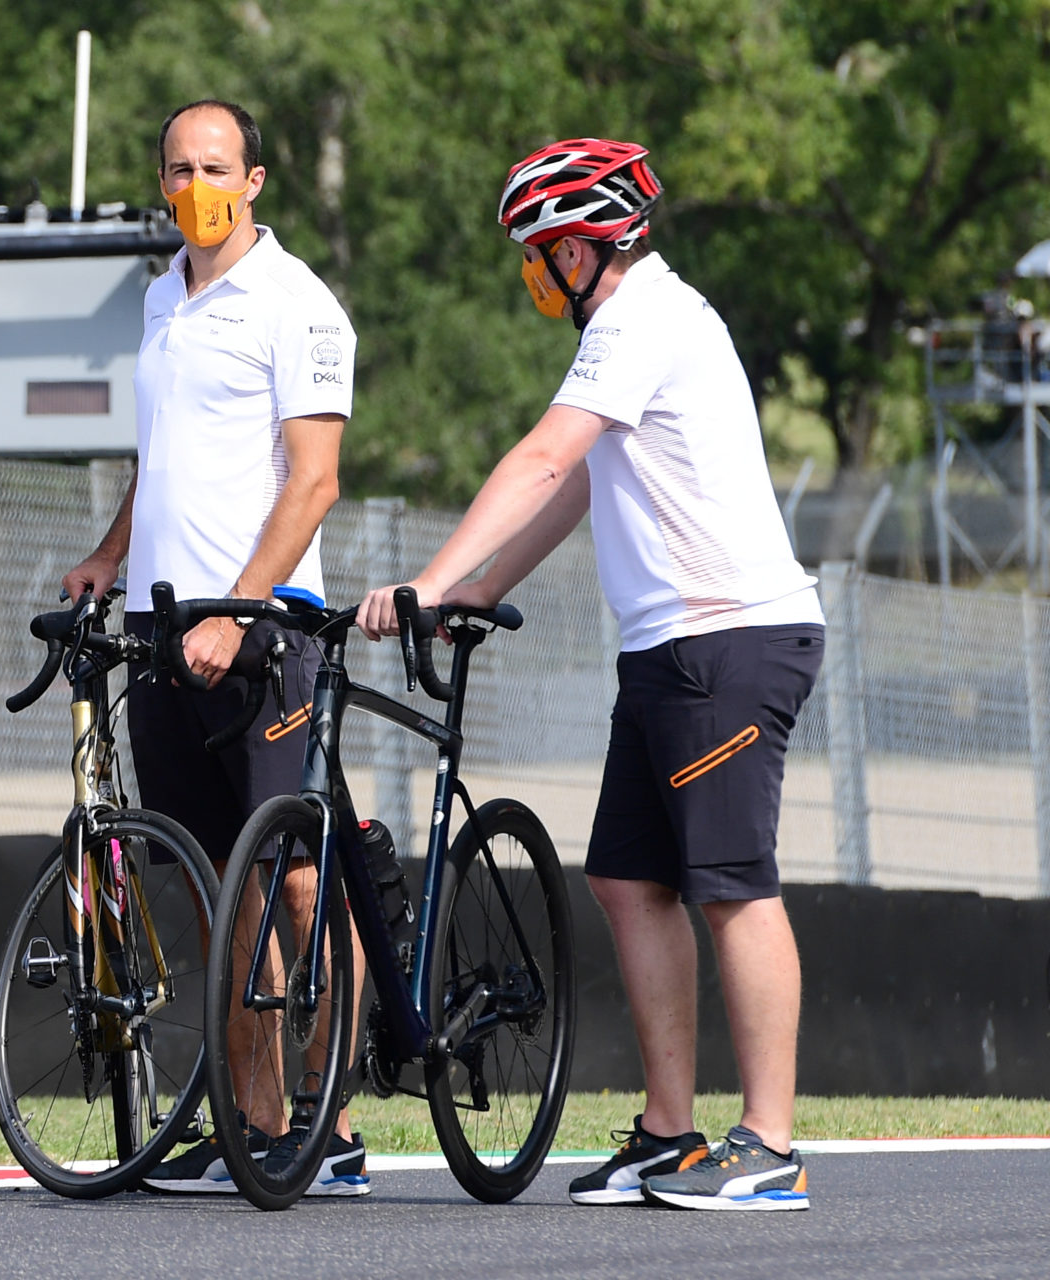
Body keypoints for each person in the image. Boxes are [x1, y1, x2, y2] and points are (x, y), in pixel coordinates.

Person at [358, 138, 823, 1211]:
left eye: (535, 258)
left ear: (579, 249)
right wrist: (480, 584)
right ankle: (669, 1132)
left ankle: (771, 1145)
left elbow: (540, 460)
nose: (533, 278)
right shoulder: (628, 331)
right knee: (626, 877)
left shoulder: (645, 318)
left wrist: (428, 579)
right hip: (667, 647)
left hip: (729, 638)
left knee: (731, 887)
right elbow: (577, 487)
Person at [63, 99, 367, 1198]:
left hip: (262, 628)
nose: (195, 184)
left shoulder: (297, 304)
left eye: (216, 167)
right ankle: (256, 1119)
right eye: (178, 167)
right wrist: (109, 550)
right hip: (159, 623)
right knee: (211, 883)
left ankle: (329, 1128)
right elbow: (163, 452)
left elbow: (315, 480)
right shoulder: (159, 296)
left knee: (290, 877)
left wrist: (239, 610)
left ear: (256, 180)